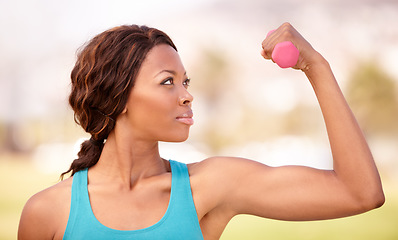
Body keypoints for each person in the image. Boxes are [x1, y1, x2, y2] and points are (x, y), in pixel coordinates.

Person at [18, 22, 384, 240]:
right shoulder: (48, 212)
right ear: (120, 97)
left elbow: (359, 193)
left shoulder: (208, 188)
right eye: (167, 82)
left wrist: (315, 65)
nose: (187, 95)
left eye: (185, 81)